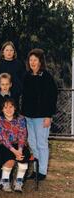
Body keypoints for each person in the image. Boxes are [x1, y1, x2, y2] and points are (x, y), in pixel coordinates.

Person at [21, 48, 58, 181]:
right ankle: (35, 170)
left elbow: (52, 97)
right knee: (32, 142)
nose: (32, 62)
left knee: (42, 143)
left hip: (42, 116)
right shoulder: (27, 76)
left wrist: (48, 115)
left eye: (35, 60)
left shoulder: (46, 77)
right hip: (28, 116)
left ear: (40, 61)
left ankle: (42, 172)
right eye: (30, 60)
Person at [0, 98, 31, 192]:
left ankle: (18, 182)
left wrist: (20, 150)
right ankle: (4, 182)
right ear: (2, 109)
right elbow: (3, 138)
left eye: (11, 107)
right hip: (3, 146)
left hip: (19, 146)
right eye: (5, 107)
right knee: (10, 159)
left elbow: (23, 134)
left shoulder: (21, 118)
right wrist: (15, 152)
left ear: (15, 108)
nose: (8, 109)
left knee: (23, 158)